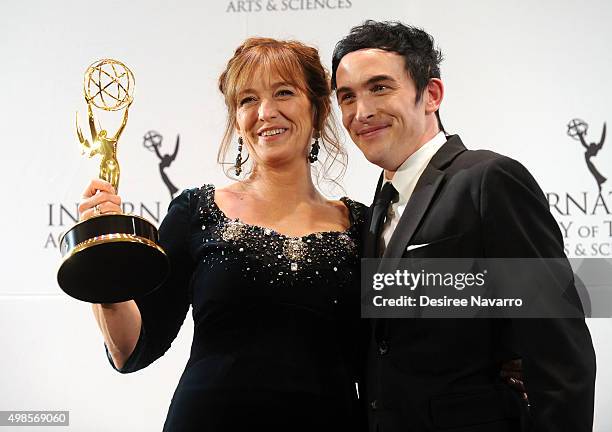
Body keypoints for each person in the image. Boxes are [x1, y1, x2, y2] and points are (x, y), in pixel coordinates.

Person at [80, 37, 365, 431]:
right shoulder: (196, 213)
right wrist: (105, 261)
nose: (266, 112)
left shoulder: (363, 227)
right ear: (235, 117)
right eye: (247, 100)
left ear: (317, 111)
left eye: (284, 92)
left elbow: (395, 356)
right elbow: (132, 349)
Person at [331, 21, 596, 432]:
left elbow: (559, 350)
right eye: (347, 96)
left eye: (380, 88)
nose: (361, 112)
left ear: (431, 94)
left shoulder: (489, 180)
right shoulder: (375, 208)